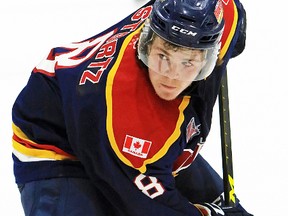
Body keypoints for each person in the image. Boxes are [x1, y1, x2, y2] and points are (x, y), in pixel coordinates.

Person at [11, 0, 252, 215]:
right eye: (163, 55)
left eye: (188, 62)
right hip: (56, 139)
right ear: (147, 43)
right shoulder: (129, 116)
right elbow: (152, 207)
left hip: (134, 140)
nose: (171, 75)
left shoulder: (224, 15)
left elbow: (233, 18)